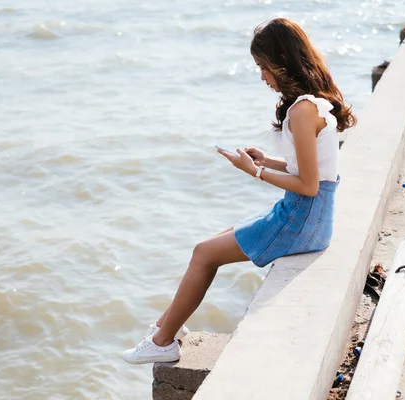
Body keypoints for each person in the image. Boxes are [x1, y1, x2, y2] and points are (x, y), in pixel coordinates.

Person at [122, 17, 356, 364]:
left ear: (281, 61)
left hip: (301, 219)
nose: (262, 76)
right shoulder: (314, 103)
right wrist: (270, 161)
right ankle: (167, 324)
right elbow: (315, 171)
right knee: (216, 239)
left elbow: (307, 186)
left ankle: (163, 342)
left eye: (263, 67)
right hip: (310, 216)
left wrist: (256, 171)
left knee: (204, 252)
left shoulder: (301, 111)